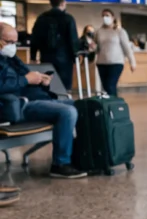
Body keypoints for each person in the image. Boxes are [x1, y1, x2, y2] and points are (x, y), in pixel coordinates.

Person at [0, 23, 86, 179]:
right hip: (17, 106)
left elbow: (27, 77)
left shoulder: (11, 59)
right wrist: (25, 80)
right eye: (8, 42)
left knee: (83, 106)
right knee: (67, 112)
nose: (12, 46)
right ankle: (60, 164)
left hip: (32, 99)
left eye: (15, 42)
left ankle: (84, 157)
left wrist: (41, 80)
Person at [30, 0, 80, 90]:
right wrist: (75, 56)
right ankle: (63, 103)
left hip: (46, 57)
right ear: (62, 3)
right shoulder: (68, 19)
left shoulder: (42, 18)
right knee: (63, 86)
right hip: (64, 59)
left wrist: (33, 56)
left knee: (48, 83)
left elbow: (35, 38)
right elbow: (73, 39)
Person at [94, 9, 136, 97]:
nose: (105, 18)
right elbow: (97, 47)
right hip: (102, 63)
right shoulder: (99, 32)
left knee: (110, 85)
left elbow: (127, 48)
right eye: (103, 16)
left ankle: (113, 105)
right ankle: (110, 105)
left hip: (116, 62)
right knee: (105, 87)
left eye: (107, 15)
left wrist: (132, 62)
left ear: (113, 17)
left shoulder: (120, 31)